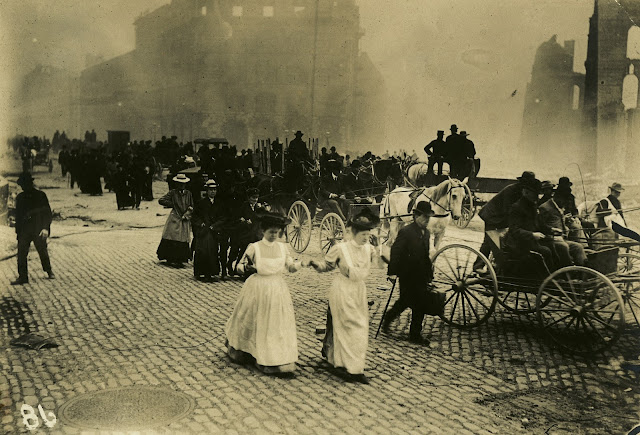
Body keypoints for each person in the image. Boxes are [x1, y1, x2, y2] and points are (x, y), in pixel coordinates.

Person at [225, 212, 306, 377]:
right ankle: (248, 352)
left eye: (276, 232)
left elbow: (290, 267)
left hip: (277, 290)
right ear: (263, 231)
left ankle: (274, 356)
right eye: (271, 232)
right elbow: (238, 266)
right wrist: (245, 268)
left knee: (275, 323)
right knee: (255, 320)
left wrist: (302, 264)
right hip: (257, 288)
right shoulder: (254, 247)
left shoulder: (283, 248)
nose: (274, 235)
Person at [310, 208, 381, 384]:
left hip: (359, 291)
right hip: (342, 290)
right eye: (363, 234)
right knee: (347, 326)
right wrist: (314, 264)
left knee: (360, 327)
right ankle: (346, 366)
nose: (366, 238)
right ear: (354, 232)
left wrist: (379, 247)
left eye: (368, 234)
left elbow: (380, 264)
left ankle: (354, 365)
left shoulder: (369, 249)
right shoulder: (340, 249)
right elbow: (326, 266)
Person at [382, 201, 435, 344]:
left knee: (421, 305)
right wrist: (392, 273)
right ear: (416, 216)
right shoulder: (406, 232)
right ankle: (388, 318)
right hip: (407, 274)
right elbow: (396, 252)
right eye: (424, 217)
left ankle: (415, 335)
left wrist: (429, 274)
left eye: (429, 218)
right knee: (405, 301)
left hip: (421, 275)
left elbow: (425, 254)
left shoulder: (427, 233)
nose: (427, 220)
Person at [473, 170, 536, 271]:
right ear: (522, 182)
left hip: (500, 218)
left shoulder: (522, 191)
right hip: (492, 216)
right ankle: (482, 267)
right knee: (493, 243)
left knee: (489, 242)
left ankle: (481, 266)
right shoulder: (511, 190)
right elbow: (508, 209)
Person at [11, 173, 55, 285]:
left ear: (30, 184)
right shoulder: (20, 198)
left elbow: (47, 214)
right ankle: (23, 277)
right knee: (21, 253)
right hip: (25, 231)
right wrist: (18, 232)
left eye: (25, 184)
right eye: (22, 185)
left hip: (38, 228)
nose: (23, 187)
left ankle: (49, 270)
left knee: (42, 251)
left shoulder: (40, 196)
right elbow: (19, 216)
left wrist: (45, 228)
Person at [503, 178, 554, 270]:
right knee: (546, 251)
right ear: (526, 192)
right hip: (518, 245)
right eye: (535, 194)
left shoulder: (532, 206)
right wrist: (532, 235)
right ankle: (548, 279)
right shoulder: (516, 208)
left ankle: (559, 275)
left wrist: (551, 230)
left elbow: (540, 224)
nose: (537, 197)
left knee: (553, 245)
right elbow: (514, 230)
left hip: (530, 242)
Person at [538, 192, 587, 267]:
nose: (565, 204)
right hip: (550, 240)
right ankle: (568, 271)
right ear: (558, 197)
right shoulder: (544, 208)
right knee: (564, 246)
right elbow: (540, 227)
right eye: (564, 201)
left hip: (561, 239)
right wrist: (552, 233)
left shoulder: (558, 206)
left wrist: (566, 220)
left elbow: (558, 220)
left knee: (578, 247)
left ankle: (583, 269)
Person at [192, 179, 227, 281]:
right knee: (203, 250)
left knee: (213, 250)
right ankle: (201, 272)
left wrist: (215, 226)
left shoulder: (219, 203)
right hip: (203, 230)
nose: (213, 192)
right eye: (211, 190)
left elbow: (223, 217)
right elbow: (195, 216)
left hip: (214, 230)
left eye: (215, 190)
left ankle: (212, 272)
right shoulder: (201, 203)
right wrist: (201, 223)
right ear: (206, 191)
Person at [157, 173, 194, 266]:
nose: (181, 185)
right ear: (176, 184)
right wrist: (172, 204)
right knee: (172, 236)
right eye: (179, 183)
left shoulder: (188, 194)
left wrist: (187, 214)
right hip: (175, 218)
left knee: (183, 237)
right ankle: (170, 257)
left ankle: (181, 258)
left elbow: (191, 205)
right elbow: (161, 200)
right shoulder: (173, 193)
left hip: (184, 218)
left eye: (183, 183)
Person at [228, 188, 264, 276]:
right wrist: (243, 221)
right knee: (240, 251)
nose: (255, 200)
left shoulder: (258, 207)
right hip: (242, 233)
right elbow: (236, 219)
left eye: (256, 197)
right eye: (253, 198)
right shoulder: (243, 207)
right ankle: (231, 265)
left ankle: (248, 269)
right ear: (248, 198)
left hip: (253, 234)